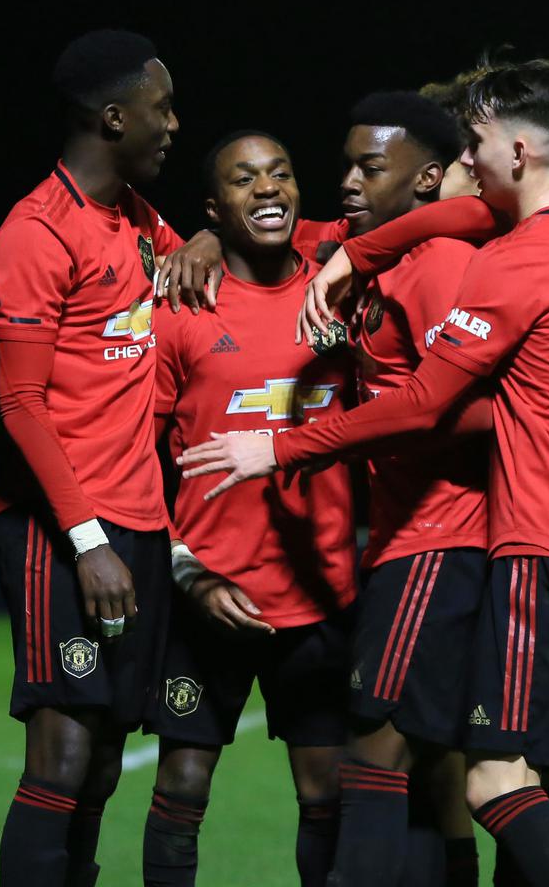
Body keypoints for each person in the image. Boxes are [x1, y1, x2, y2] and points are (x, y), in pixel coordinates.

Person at [178, 58, 549, 887]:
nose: (472, 158)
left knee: (463, 767)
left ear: (516, 153)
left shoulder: (495, 261)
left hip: (506, 541)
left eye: (477, 142)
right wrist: (222, 237)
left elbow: (430, 400)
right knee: (515, 769)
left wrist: (276, 447)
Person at [0, 28, 182, 887]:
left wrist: (206, 243)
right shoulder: (35, 232)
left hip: (137, 524)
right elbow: (21, 402)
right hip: (61, 533)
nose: (173, 125)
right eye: (161, 108)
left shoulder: (139, 221)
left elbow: (228, 270)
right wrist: (87, 539)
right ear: (112, 117)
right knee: (60, 757)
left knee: (102, 762)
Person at [143, 131, 357, 887]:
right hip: (211, 596)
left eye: (281, 174)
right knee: (182, 786)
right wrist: (185, 570)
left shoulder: (342, 294)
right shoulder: (180, 310)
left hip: (323, 596)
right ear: (213, 206)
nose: (267, 189)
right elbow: (140, 460)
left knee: (326, 791)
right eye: (244, 180)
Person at [316, 91, 489, 887]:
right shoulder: (379, 252)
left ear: (426, 182)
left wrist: (386, 421)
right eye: (347, 162)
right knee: (433, 763)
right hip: (405, 535)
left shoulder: (439, 265)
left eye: (369, 166)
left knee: (376, 745)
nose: (349, 180)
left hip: (439, 534)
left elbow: (479, 409)